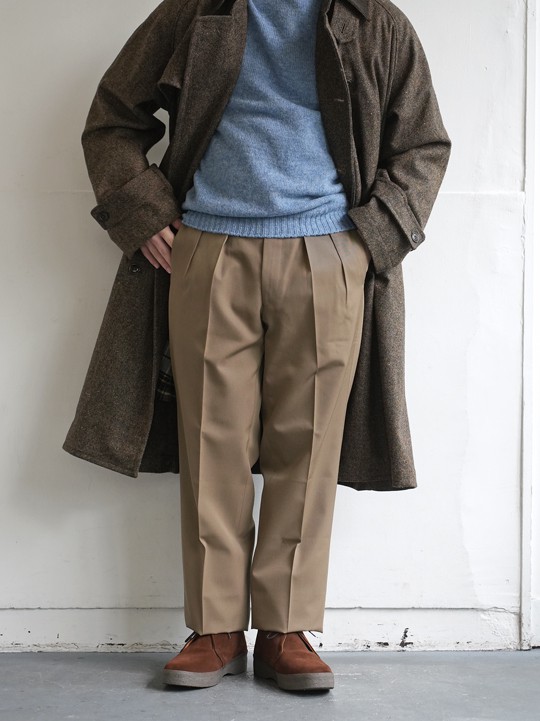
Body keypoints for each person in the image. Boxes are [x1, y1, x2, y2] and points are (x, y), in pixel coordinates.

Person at [67, 0, 451, 693]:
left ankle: (285, 628)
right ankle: (213, 627)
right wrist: (144, 214)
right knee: (210, 439)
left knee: (309, 444)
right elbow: (113, 117)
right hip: (208, 249)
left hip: (330, 253)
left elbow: (422, 145)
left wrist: (371, 240)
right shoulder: (194, 12)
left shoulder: (375, 22)